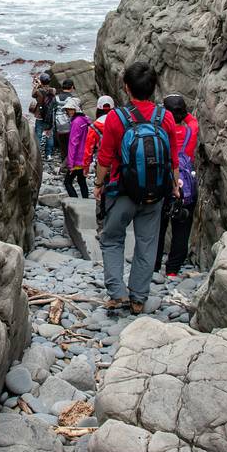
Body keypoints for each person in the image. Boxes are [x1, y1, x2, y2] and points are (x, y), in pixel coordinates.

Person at [94, 62, 181, 315]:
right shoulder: (165, 117)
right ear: (154, 88)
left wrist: (98, 185)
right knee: (147, 243)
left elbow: (105, 158)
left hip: (122, 191)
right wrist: (174, 187)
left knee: (111, 239)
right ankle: (139, 298)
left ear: (126, 87)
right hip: (155, 193)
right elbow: (172, 159)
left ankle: (117, 292)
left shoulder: (116, 118)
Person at [156, 94, 199, 276]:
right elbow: (191, 119)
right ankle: (172, 270)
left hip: (163, 182)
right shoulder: (191, 129)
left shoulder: (160, 130)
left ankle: (154, 266)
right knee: (182, 227)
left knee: (158, 226)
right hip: (186, 185)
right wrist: (182, 111)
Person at [83, 94, 115, 233]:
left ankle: (101, 227)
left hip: (102, 165)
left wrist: (85, 167)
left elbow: (88, 149)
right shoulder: (120, 123)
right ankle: (114, 224)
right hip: (119, 165)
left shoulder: (94, 127)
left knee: (100, 193)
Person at [62, 97, 90, 198]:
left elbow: (73, 143)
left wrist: (71, 163)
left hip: (77, 159)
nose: (68, 111)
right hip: (84, 157)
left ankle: (75, 202)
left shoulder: (76, 122)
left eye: (70, 109)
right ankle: (86, 200)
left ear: (76, 109)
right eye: (67, 109)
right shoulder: (84, 120)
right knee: (81, 181)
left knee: (67, 182)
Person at [30, 72, 56, 159]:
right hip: (49, 116)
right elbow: (47, 90)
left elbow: (33, 95)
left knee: (38, 134)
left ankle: (37, 153)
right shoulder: (53, 90)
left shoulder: (37, 91)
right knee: (49, 135)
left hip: (40, 116)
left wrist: (36, 85)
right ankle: (48, 154)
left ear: (41, 81)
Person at [51, 78, 76, 165]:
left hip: (58, 126)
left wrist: (48, 127)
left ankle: (64, 164)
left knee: (62, 147)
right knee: (71, 145)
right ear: (72, 87)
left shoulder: (55, 98)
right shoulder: (72, 99)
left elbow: (50, 111)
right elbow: (77, 113)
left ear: (62, 87)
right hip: (70, 126)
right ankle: (70, 164)